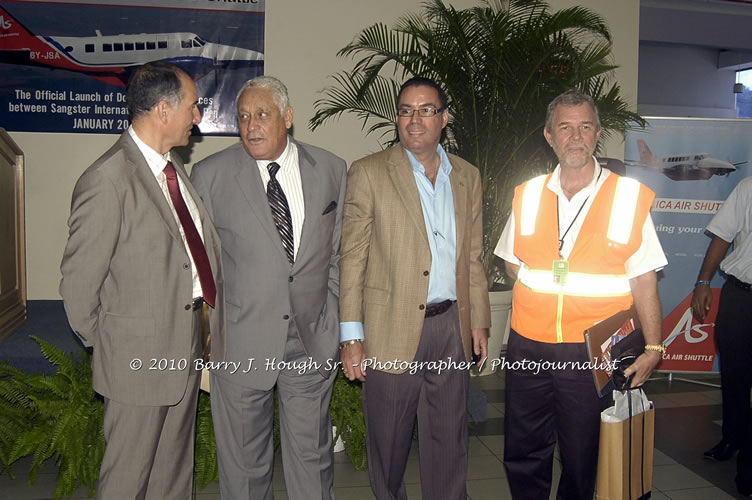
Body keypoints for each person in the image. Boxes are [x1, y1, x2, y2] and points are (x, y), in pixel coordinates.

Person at [60, 61, 224, 499]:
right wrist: (115, 344)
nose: (198, 116)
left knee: (173, 475)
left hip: (185, 344)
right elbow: (78, 286)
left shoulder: (173, 170)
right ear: (164, 110)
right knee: (126, 480)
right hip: (135, 359)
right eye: (193, 106)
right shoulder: (107, 180)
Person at [495, 89, 667, 499]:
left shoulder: (628, 198)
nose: (576, 136)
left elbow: (644, 279)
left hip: (593, 351)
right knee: (524, 448)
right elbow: (511, 261)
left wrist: (654, 346)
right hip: (528, 344)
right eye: (565, 127)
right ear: (549, 135)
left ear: (598, 133)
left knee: (582, 452)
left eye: (585, 126)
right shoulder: (528, 193)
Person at [190, 76, 346, 500]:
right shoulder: (209, 176)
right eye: (243, 117)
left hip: (310, 340)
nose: (251, 125)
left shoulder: (332, 169)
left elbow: (336, 254)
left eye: (262, 114)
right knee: (243, 468)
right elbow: (198, 265)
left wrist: (331, 314)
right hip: (241, 340)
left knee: (312, 462)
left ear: (288, 118)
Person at [339, 76, 491, 500]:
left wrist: (479, 319)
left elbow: (472, 258)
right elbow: (351, 258)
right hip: (389, 328)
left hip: (450, 327)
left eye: (426, 110)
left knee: (448, 441)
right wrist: (351, 335)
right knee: (387, 443)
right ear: (397, 119)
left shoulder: (468, 176)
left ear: (444, 117)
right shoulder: (369, 173)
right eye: (406, 110)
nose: (415, 119)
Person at [691, 177, 752, 496]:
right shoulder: (749, 187)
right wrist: (703, 283)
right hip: (742, 296)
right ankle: (732, 437)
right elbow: (722, 236)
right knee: (734, 373)